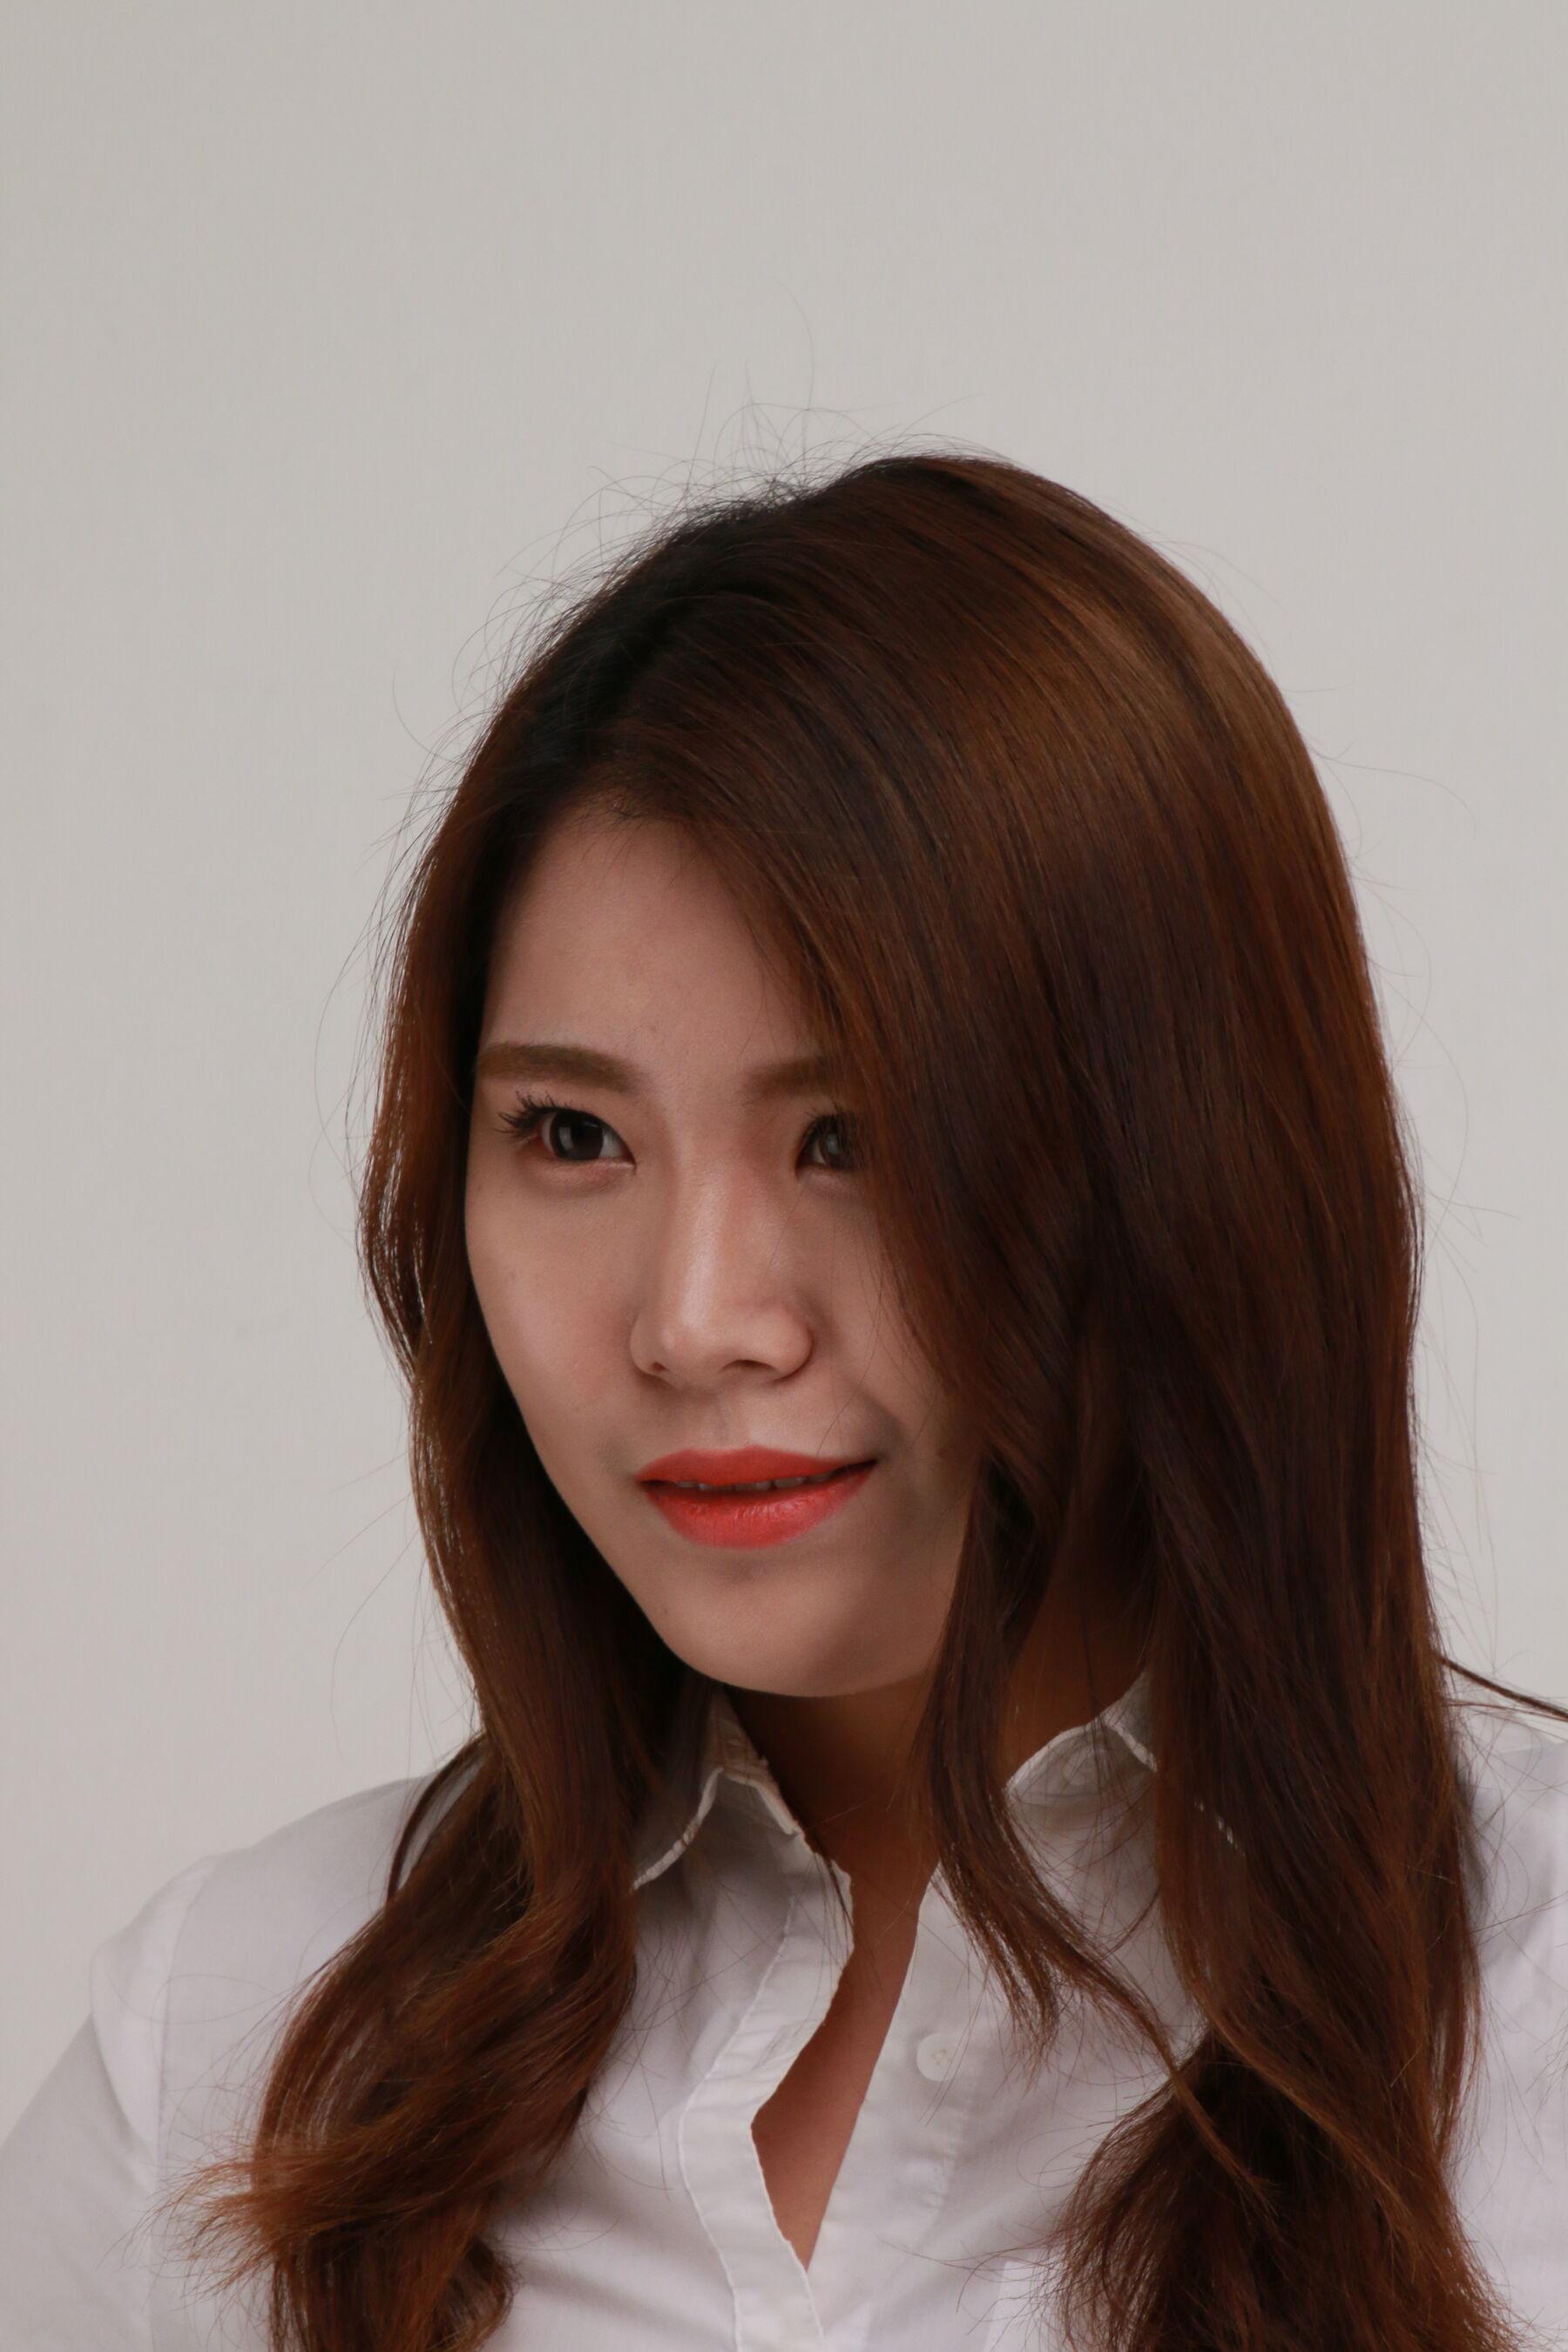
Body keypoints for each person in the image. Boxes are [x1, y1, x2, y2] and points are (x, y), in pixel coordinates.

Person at [3, 449, 1565, 2352]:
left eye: (857, 1138)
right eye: (572, 1135)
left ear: (1199, 1167)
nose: (696, 1322)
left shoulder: (1534, 2022)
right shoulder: (228, 2060)